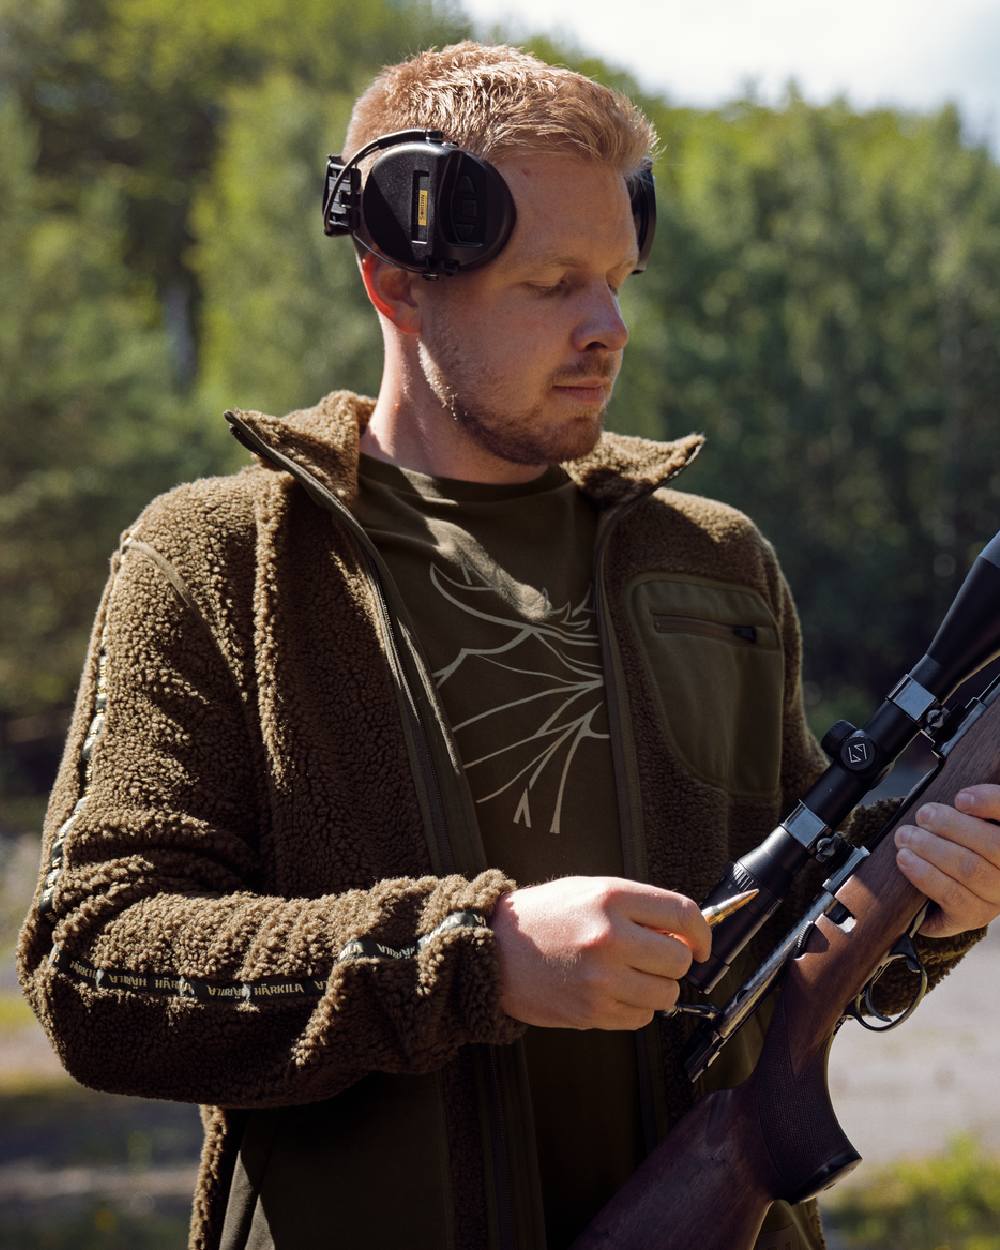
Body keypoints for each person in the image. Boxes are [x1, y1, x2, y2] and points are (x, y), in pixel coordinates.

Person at [18, 42, 1000, 1250]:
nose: (609, 327)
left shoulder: (714, 562)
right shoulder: (223, 559)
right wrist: (475, 954)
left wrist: (934, 913)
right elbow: (91, 966)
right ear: (393, 278)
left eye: (618, 278)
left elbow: (795, 961)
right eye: (552, 285)